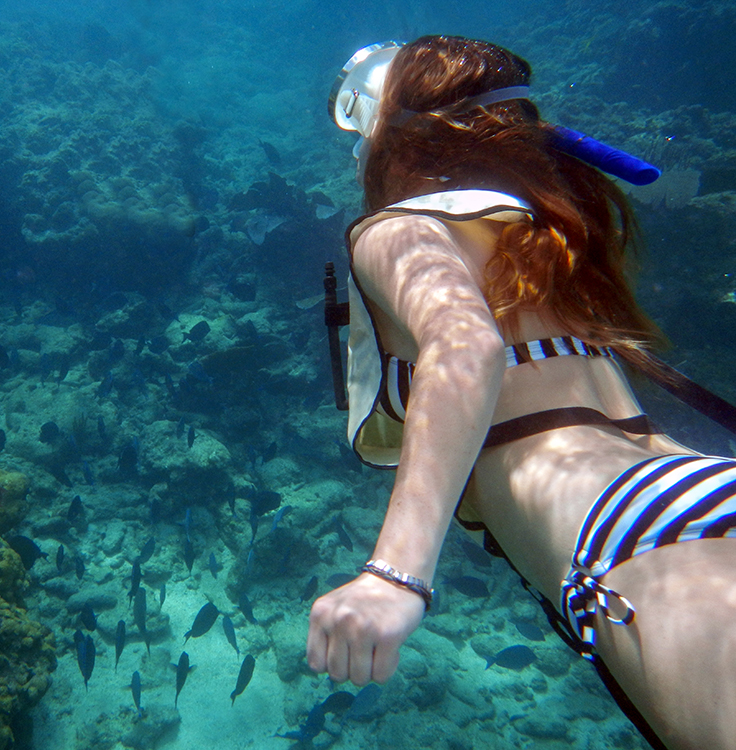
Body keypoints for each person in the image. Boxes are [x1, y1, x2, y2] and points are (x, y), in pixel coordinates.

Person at [306, 36, 736, 750]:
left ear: (394, 134)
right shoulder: (549, 237)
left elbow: (464, 345)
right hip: (694, 487)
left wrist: (394, 575)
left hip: (634, 534)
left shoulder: (398, 230)